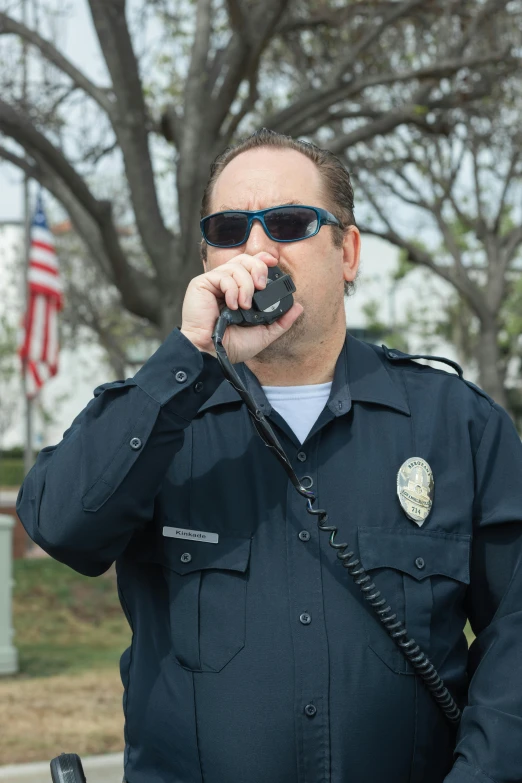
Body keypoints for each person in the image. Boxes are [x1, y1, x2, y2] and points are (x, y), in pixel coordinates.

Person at [17, 128, 522, 783]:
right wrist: (193, 355)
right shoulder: (157, 417)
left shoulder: (458, 422)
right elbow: (60, 523)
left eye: (287, 222)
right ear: (207, 259)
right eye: (230, 229)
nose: (256, 247)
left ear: (349, 251)